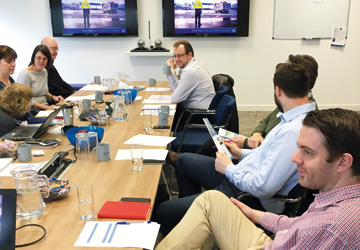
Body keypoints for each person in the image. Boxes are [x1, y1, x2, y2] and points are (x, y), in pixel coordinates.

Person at [156, 108, 360, 250]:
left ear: (343, 162)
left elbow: (310, 229)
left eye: (307, 152)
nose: (294, 158)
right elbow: (300, 227)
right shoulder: (338, 200)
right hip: (279, 241)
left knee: (188, 207)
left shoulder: (331, 227)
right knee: (211, 199)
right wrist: (255, 215)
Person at [155, 63, 316, 236]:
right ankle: (193, 223)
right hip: (241, 175)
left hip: (247, 195)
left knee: (163, 211)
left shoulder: (292, 132)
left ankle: (192, 220)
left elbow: (264, 188)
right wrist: (241, 153)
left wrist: (229, 169)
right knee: (183, 161)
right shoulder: (292, 119)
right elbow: (267, 156)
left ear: (278, 91)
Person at [194, 54, 319, 159]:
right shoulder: (293, 101)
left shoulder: (300, 111)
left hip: (257, 152)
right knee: (216, 140)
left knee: (214, 144)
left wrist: (246, 143)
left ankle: (189, 164)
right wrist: (257, 133)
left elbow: (273, 149)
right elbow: (265, 120)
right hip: (255, 143)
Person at [165, 40, 215, 110]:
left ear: (189, 55)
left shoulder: (190, 71)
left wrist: (171, 71)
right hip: (198, 110)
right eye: (175, 56)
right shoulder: (192, 65)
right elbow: (178, 89)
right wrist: (170, 73)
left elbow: (175, 98)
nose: (176, 59)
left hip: (198, 114)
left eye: (180, 55)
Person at [17, 45, 64, 111]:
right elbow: (23, 100)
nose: (41, 61)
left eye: (44, 58)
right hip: (32, 110)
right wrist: (46, 108)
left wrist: (53, 97)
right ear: (33, 58)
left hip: (45, 108)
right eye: (38, 58)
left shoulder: (44, 71)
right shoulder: (25, 74)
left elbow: (43, 92)